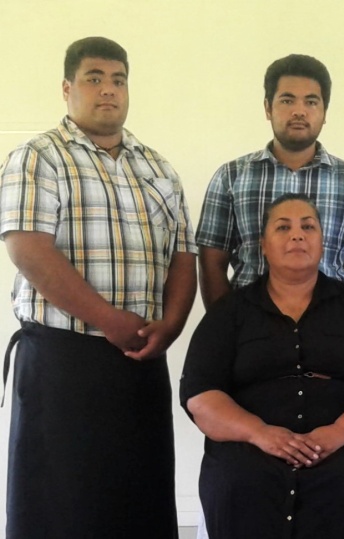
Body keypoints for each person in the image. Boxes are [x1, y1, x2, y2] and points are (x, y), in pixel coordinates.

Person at [0, 37, 197, 538]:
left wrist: (170, 327)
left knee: (141, 499)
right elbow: (29, 250)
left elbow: (183, 257)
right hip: (62, 362)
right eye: (94, 78)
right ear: (68, 88)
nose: (108, 90)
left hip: (140, 361)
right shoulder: (37, 157)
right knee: (62, 507)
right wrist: (110, 320)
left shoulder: (158, 168)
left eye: (118, 80)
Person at [181, 193, 344, 539]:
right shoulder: (230, 312)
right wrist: (259, 433)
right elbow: (200, 395)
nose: (297, 235)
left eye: (308, 226)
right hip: (250, 446)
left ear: (322, 241)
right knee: (237, 480)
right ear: (264, 245)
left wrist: (340, 431)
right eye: (283, 227)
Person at [196, 54, 344, 308]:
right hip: (249, 330)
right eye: (287, 100)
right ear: (268, 107)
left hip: (331, 329)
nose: (299, 111)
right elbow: (211, 262)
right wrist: (228, 327)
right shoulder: (231, 177)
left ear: (324, 111)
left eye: (311, 102)